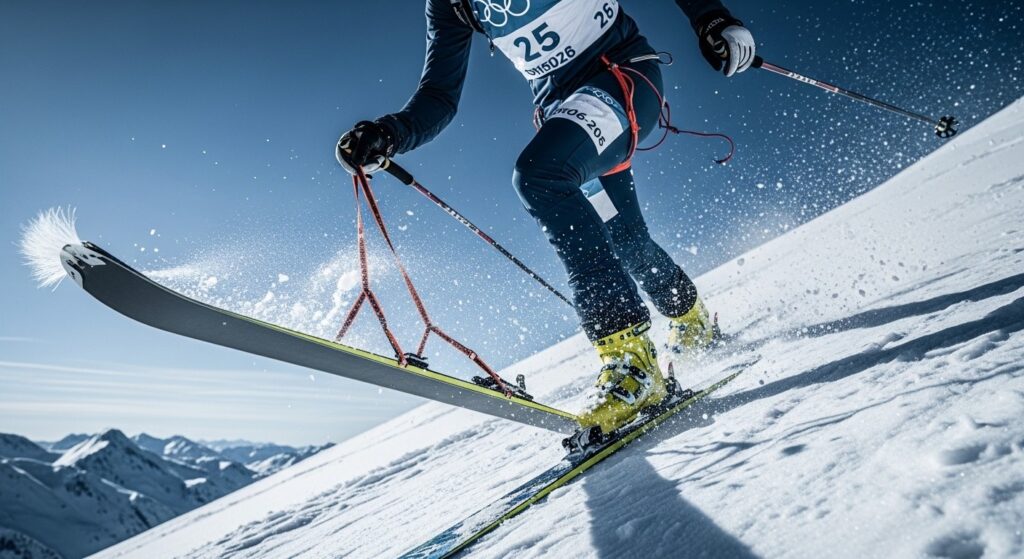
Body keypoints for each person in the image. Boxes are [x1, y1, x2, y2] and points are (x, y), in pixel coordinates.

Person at [337, 0, 756, 436]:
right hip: (569, 115)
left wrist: (712, 18)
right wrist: (389, 133)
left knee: (540, 175)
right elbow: (439, 97)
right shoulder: (452, 4)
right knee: (627, 240)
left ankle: (630, 359)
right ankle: (690, 320)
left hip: (624, 77)